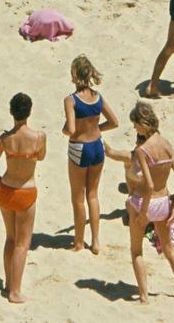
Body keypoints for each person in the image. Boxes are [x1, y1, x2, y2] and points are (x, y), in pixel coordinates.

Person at [105, 102, 174, 305]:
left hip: (145, 202)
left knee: (136, 252)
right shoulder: (167, 144)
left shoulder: (143, 150)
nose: (135, 128)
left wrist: (143, 213)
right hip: (164, 202)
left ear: (143, 123)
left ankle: (143, 297)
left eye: (136, 124)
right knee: (168, 249)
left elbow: (149, 184)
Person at [0, 92, 45, 305]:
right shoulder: (38, 137)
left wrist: (0, 181)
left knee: (10, 238)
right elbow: (42, 156)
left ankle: (9, 283)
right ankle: (15, 291)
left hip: (6, 190)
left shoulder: (4, 139)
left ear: (11, 112)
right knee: (22, 242)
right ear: (29, 111)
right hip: (26, 191)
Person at [62, 55, 117, 255]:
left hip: (80, 148)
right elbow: (114, 122)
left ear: (75, 75)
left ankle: (78, 242)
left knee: (78, 197)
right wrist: (96, 128)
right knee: (93, 195)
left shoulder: (71, 100)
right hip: (97, 146)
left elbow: (70, 128)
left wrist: (66, 131)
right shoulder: (98, 97)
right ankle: (95, 241)